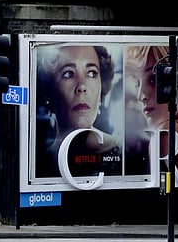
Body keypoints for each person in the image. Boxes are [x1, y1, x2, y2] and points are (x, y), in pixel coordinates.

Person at [36, 45, 122, 178]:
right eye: (68, 74)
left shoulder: (124, 153)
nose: (82, 86)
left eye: (92, 73)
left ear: (101, 91)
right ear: (49, 92)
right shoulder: (39, 164)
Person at [124, 45, 178, 174]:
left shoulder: (165, 133)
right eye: (137, 82)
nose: (141, 96)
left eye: (153, 79)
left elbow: (162, 191)